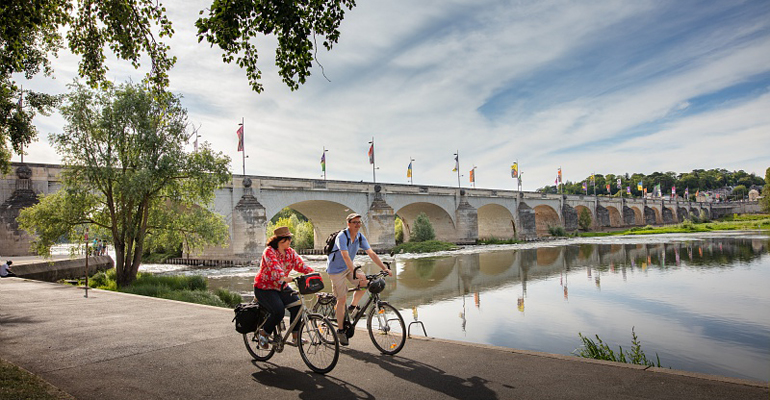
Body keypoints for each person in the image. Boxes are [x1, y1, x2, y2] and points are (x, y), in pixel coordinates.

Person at [326, 213, 392, 345]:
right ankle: (340, 331)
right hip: (336, 270)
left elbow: (371, 253)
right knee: (341, 298)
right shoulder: (342, 237)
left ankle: (353, 307)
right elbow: (345, 256)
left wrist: (384, 268)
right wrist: (355, 272)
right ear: (348, 224)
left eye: (359, 222)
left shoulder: (360, 237)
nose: (357, 225)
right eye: (354, 222)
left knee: (365, 283)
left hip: (349, 266)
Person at [253, 226, 314, 348]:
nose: (290, 241)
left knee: (297, 305)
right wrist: (284, 277)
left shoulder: (290, 252)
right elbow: (275, 268)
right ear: (282, 240)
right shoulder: (269, 251)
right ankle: (263, 333)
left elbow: (300, 265)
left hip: (281, 286)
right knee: (278, 310)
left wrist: (313, 274)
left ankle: (296, 337)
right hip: (264, 288)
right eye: (289, 238)